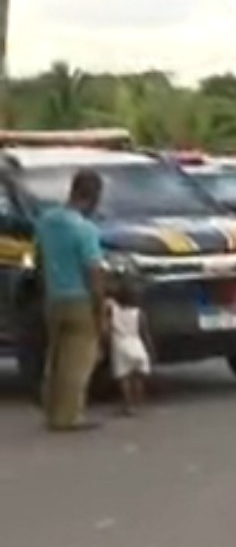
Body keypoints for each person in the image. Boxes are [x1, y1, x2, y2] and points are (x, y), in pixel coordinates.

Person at [36, 168, 108, 431]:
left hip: (54, 297)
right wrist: (99, 310)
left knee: (55, 358)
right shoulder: (85, 229)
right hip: (80, 299)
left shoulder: (46, 220)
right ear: (93, 196)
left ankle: (51, 410)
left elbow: (39, 261)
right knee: (78, 362)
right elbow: (94, 272)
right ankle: (69, 416)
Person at [106, 277, 152, 416]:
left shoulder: (113, 309)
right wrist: (150, 348)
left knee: (124, 377)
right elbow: (144, 332)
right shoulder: (139, 313)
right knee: (138, 375)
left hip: (120, 345)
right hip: (136, 343)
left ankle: (127, 404)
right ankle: (138, 402)